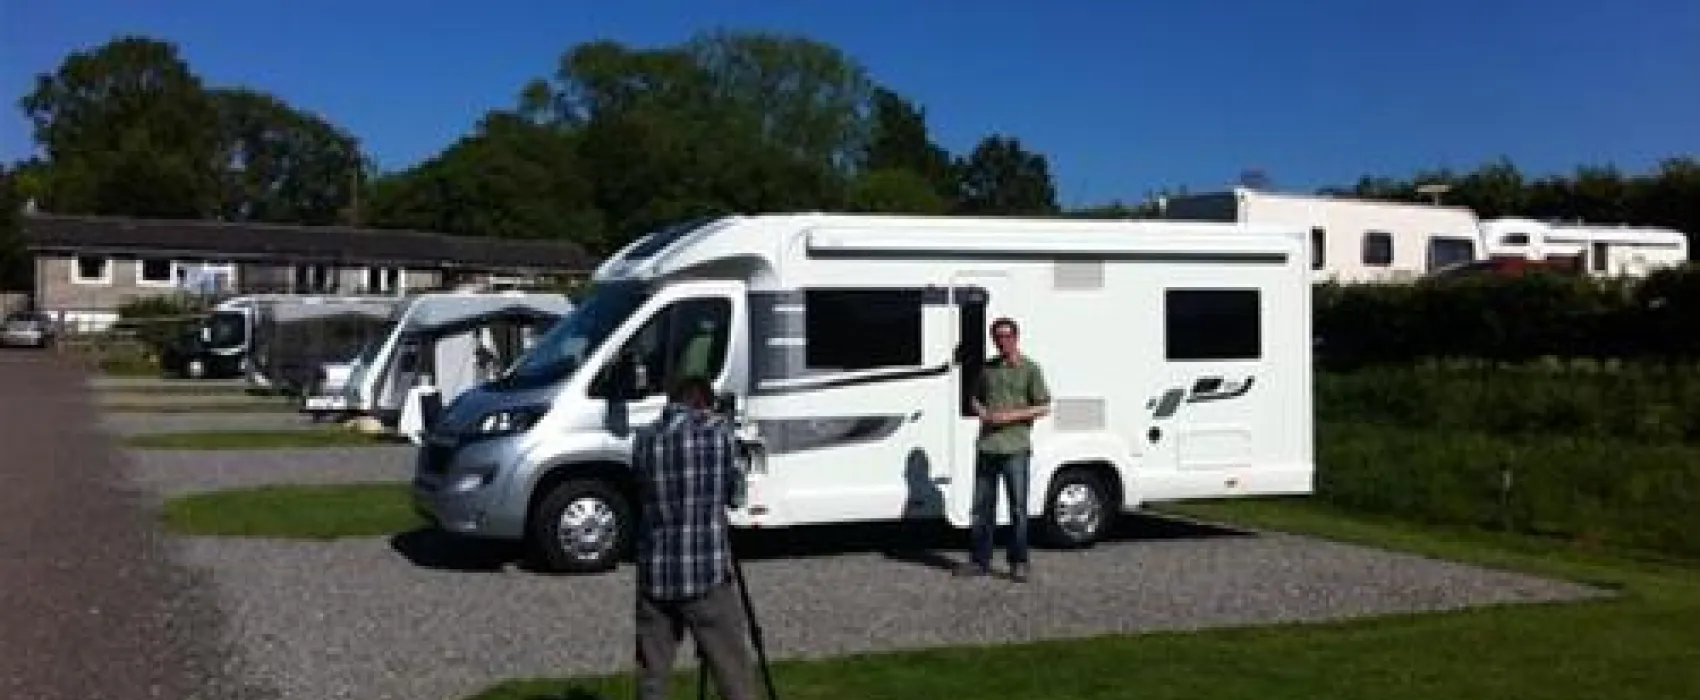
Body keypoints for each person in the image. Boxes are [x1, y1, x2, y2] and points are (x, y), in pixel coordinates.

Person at [630, 374, 758, 700]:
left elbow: (639, 493)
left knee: (652, 676)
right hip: (706, 575)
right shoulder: (718, 436)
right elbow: (736, 497)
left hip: (656, 575)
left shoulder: (644, 439)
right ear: (703, 403)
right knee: (732, 672)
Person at [958, 316, 1052, 582]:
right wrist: (982, 411)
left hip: (1015, 448)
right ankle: (979, 561)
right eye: (998, 337)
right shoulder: (988, 369)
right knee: (981, 509)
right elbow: (974, 398)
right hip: (987, 447)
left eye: (1007, 336)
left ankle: (1019, 562)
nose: (1003, 341)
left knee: (1018, 509)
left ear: (1016, 337)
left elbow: (1044, 405)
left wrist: (1010, 416)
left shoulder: (1030, 369)